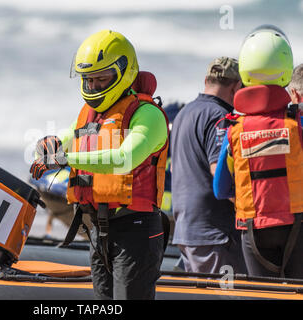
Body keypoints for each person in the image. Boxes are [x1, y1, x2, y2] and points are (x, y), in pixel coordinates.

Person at [30, 29, 169, 300]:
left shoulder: (147, 115)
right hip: (98, 230)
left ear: (123, 72)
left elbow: (123, 159)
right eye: (88, 80)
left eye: (100, 79)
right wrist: (46, 148)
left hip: (136, 230)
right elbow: (64, 142)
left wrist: (65, 159)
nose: (92, 87)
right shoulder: (89, 116)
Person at [213, 25, 303, 279]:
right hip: (297, 224)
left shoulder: (234, 129)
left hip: (253, 228)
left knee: (264, 295)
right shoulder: (298, 121)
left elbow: (221, 188)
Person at [171, 56, 246, 274]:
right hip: (214, 232)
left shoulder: (183, 113)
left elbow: (175, 169)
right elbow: (219, 172)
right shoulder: (220, 116)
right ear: (236, 87)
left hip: (185, 230)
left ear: (206, 80)